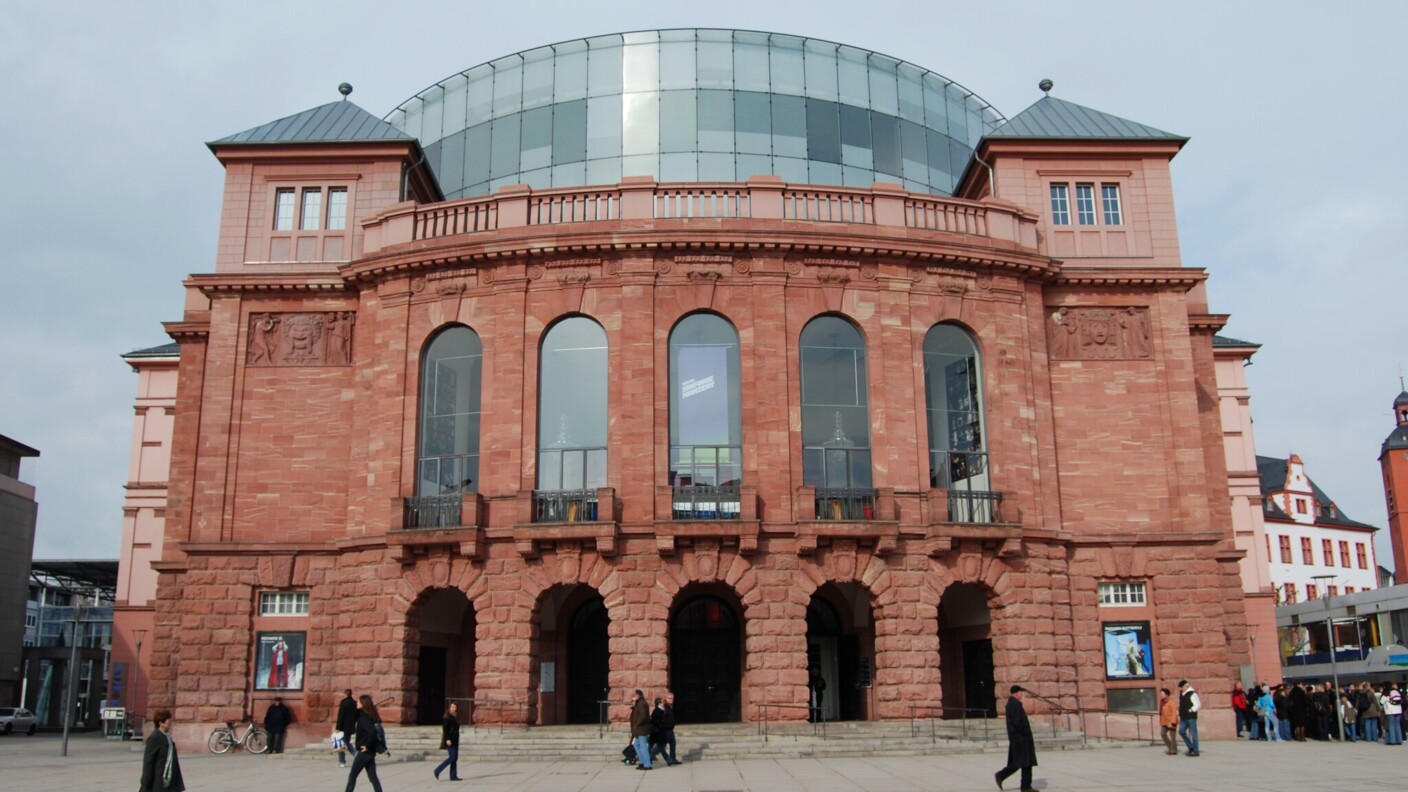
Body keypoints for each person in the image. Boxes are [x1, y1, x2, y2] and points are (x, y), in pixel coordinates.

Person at [994, 685, 1037, 791]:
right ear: (1016, 693)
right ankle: (1002, 776)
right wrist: (1026, 732)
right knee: (1023, 762)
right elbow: (1018, 722)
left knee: (1023, 762)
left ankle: (1025, 785)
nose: (1021, 695)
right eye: (1020, 693)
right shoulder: (1015, 704)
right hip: (1021, 739)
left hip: (1018, 739)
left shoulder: (1013, 704)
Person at [345, 694, 384, 792]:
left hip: (364, 752)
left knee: (352, 775)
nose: (356, 703)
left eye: (358, 702)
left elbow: (372, 732)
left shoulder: (363, 716)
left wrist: (366, 745)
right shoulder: (368, 714)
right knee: (373, 777)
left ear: (363, 704)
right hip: (370, 752)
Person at [139, 709, 185, 792]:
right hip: (159, 780)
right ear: (161, 723)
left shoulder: (168, 737)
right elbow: (148, 762)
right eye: (168, 720)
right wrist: (145, 782)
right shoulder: (154, 738)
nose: (170, 722)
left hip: (170, 779)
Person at [433, 701, 462, 781]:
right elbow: (445, 730)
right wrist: (447, 739)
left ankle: (453, 776)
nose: (452, 709)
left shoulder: (457, 716)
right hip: (450, 739)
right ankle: (437, 770)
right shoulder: (447, 717)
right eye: (451, 707)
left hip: (455, 739)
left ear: (457, 709)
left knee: (455, 758)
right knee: (452, 757)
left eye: (454, 707)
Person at [650, 693, 680, 766]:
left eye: (672, 698)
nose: (671, 700)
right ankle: (650, 756)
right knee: (661, 746)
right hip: (665, 730)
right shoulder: (664, 707)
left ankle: (673, 758)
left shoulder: (670, 706)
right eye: (670, 698)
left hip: (670, 729)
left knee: (672, 743)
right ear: (666, 699)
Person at [629, 689, 653, 771]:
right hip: (639, 729)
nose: (633, 697)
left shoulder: (642, 703)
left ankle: (647, 764)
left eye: (634, 695)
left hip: (642, 729)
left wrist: (637, 724)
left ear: (638, 696)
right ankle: (643, 762)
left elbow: (643, 716)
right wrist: (633, 705)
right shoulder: (639, 703)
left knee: (643, 747)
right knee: (636, 745)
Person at [1176, 679, 1200, 756]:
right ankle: (1190, 747)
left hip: (1191, 717)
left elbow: (1197, 704)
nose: (1180, 689)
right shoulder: (1181, 694)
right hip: (1183, 717)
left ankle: (1196, 751)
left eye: (1181, 687)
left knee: (1193, 734)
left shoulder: (1192, 694)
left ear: (1186, 686)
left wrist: (1191, 710)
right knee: (1181, 731)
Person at [336, 689, 358, 768]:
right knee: (346, 743)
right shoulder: (355, 703)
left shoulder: (344, 703)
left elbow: (340, 716)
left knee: (341, 745)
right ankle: (356, 755)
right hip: (350, 727)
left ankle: (342, 761)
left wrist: (338, 727)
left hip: (343, 727)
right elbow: (356, 716)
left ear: (345, 694)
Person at [1158, 687, 1179, 755]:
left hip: (1170, 721)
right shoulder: (1162, 702)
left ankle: (1173, 750)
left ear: (1166, 694)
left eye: (1162, 693)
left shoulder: (1171, 701)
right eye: (1160, 693)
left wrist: (1172, 721)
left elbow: (1174, 712)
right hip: (1164, 721)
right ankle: (1171, 747)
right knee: (1163, 734)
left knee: (1172, 736)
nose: (1160, 695)